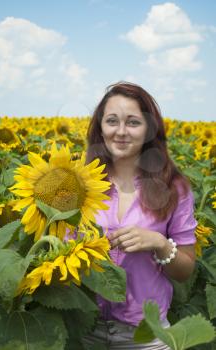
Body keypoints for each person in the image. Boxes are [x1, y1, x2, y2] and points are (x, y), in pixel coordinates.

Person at [83, 81, 197, 350]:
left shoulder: (174, 187)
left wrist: (159, 243)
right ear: (100, 127)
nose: (121, 131)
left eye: (133, 122)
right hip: (83, 326)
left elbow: (185, 271)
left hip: (146, 335)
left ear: (149, 129)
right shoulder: (78, 183)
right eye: (112, 121)